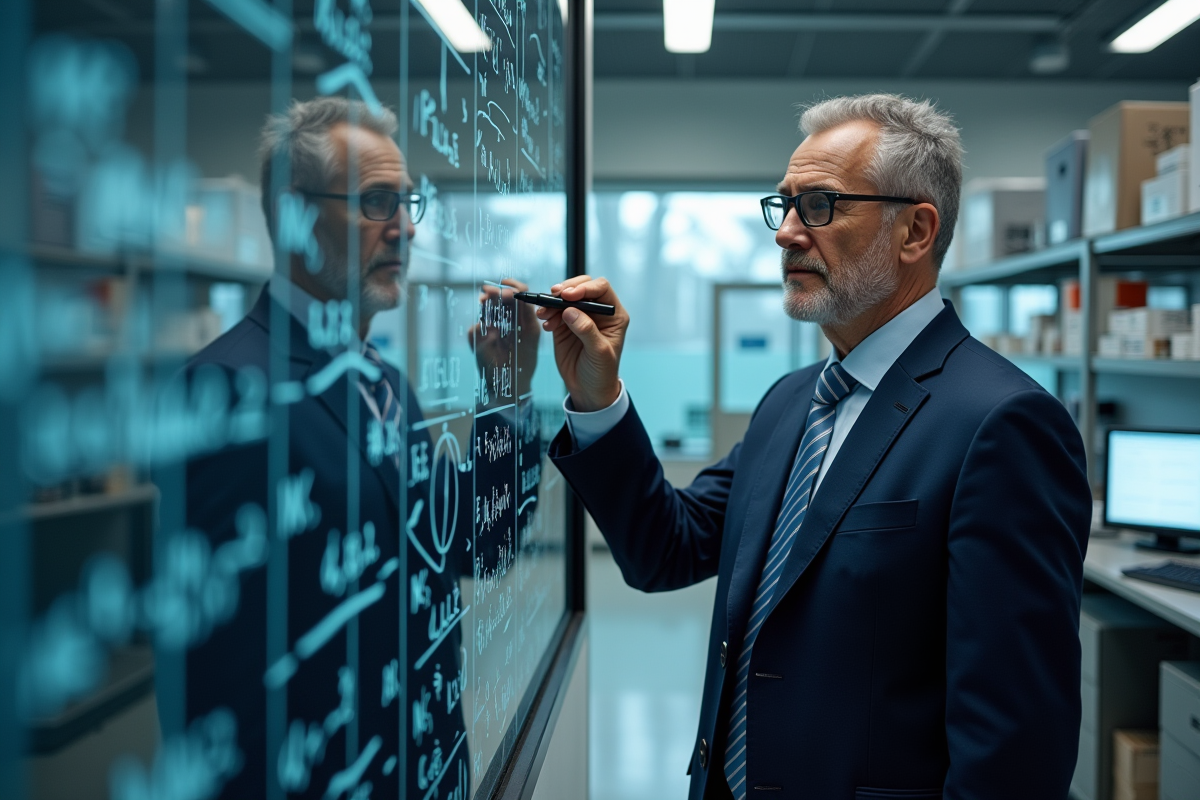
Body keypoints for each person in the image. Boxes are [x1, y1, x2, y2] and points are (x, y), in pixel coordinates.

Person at [539, 94, 1092, 800]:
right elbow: (665, 549)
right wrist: (598, 397)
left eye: (822, 205)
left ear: (916, 231)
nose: (787, 234)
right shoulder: (791, 403)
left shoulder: (1002, 424)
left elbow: (1015, 752)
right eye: (785, 206)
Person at [181, 97, 536, 798]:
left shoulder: (383, 382)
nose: (404, 229)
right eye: (377, 202)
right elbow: (215, 671)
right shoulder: (224, 389)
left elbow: (470, 547)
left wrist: (503, 395)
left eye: (407, 203)